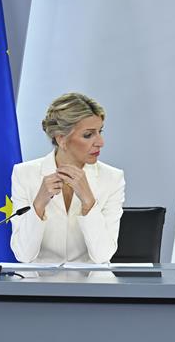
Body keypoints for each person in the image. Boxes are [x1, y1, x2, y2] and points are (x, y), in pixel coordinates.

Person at [10, 93, 125, 263]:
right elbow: (23, 255)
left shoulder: (113, 178)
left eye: (100, 132)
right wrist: (39, 203)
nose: (100, 142)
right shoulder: (24, 174)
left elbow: (102, 256)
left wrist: (88, 202)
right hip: (38, 286)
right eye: (88, 135)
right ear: (62, 139)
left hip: (92, 286)